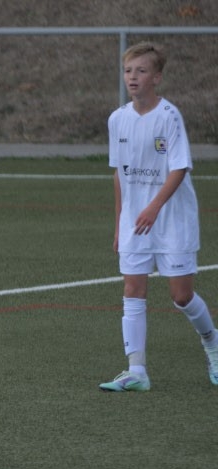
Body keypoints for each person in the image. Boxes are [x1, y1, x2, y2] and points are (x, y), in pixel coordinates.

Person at [99, 42, 218, 392]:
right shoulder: (117, 119)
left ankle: (213, 343)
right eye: (128, 71)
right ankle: (137, 371)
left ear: (157, 77)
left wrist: (154, 207)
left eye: (141, 70)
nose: (132, 77)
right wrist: (120, 223)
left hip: (172, 220)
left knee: (181, 296)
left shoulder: (169, 116)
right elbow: (119, 173)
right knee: (132, 289)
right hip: (135, 221)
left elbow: (179, 168)